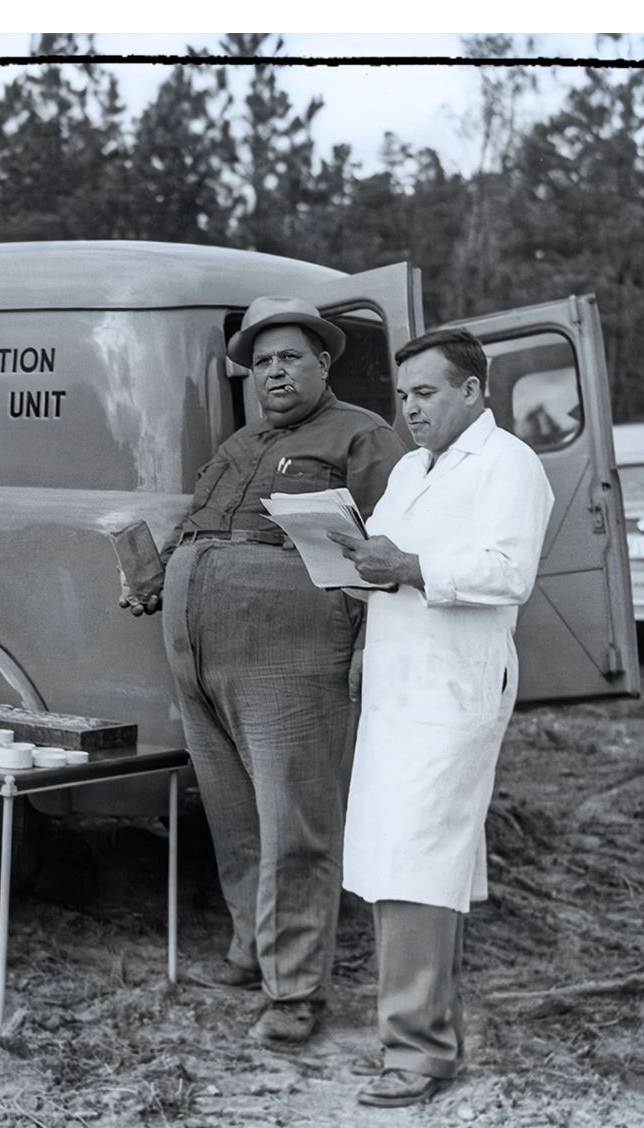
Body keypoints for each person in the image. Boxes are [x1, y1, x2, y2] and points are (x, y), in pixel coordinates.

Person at [124, 296, 404, 1044]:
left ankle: (298, 993)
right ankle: (253, 949)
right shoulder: (239, 443)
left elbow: (398, 544)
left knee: (295, 822)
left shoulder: (363, 435)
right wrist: (156, 580)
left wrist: (374, 642)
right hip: (199, 655)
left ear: (323, 363)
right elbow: (202, 527)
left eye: (289, 358)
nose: (273, 371)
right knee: (235, 815)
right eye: (261, 362)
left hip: (296, 658)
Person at [329, 327, 554, 1106]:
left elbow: (508, 571)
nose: (411, 408)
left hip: (455, 687)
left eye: (426, 392)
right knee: (396, 853)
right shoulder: (412, 470)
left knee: (421, 857)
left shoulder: (507, 465)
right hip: (399, 679)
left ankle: (419, 1051)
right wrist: (355, 571)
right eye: (404, 395)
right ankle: (412, 1035)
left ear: (472, 390)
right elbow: (387, 561)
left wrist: (409, 568)